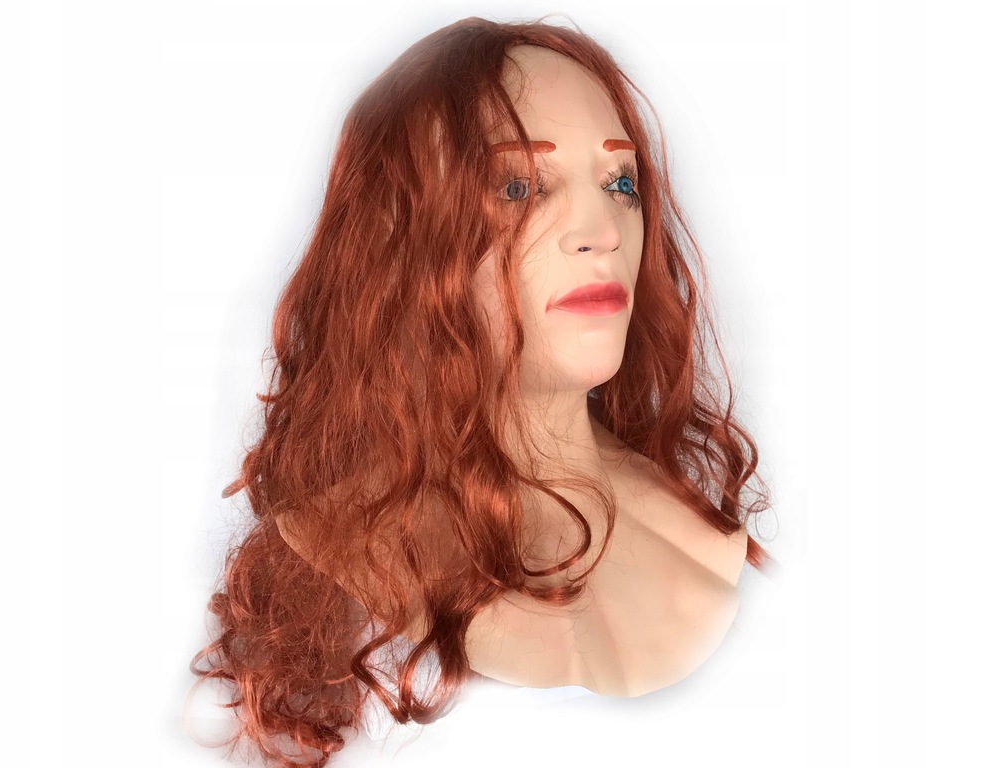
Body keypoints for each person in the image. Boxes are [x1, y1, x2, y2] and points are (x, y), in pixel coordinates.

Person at [190, 16, 771, 767]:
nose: (602, 230)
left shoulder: (711, 545)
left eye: (621, 182)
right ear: (399, 239)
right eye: (518, 187)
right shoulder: (332, 557)